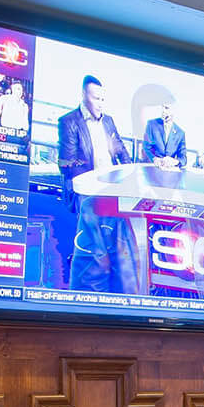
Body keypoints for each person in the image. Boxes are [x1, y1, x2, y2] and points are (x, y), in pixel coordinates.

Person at [55, 75, 138, 294]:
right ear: (84, 96)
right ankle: (89, 284)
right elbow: (68, 163)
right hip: (87, 188)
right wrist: (97, 181)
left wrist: (131, 176)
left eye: (103, 98)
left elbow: (121, 151)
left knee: (124, 230)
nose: (100, 103)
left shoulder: (108, 121)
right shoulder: (69, 121)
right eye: (96, 98)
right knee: (94, 223)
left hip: (112, 188)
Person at [141, 99, 186, 168]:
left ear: (174, 111)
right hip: (152, 168)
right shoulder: (151, 124)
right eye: (162, 107)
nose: (163, 111)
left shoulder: (180, 133)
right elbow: (146, 148)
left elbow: (183, 158)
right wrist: (154, 159)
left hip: (169, 173)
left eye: (167, 108)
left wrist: (175, 161)